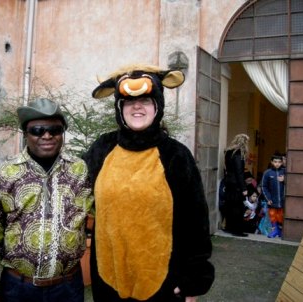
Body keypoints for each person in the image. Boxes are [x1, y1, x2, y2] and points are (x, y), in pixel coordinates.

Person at [83, 64, 214, 302]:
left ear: (157, 106)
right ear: (119, 109)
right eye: (129, 102)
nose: (137, 107)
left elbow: (195, 221)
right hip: (109, 280)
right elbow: (75, 195)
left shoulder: (175, 155)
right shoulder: (102, 149)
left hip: (161, 283)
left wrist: (192, 281)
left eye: (145, 100)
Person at [0, 98, 94, 302]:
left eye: (54, 130)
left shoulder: (80, 170)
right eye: (38, 130)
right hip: (18, 288)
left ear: (62, 132)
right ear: (26, 134)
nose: (47, 136)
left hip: (68, 287)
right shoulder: (5, 174)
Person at [223, 134, 250, 237]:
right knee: (238, 207)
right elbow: (239, 172)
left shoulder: (228, 152)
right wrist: (243, 188)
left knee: (229, 205)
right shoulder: (239, 154)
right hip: (236, 184)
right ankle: (237, 230)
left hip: (229, 181)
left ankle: (229, 227)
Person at [261, 154, 285, 238]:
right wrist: (268, 198)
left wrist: (285, 179)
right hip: (272, 200)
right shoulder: (267, 173)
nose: (277, 164)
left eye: (279, 162)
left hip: (282, 200)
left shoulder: (285, 172)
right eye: (275, 162)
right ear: (271, 162)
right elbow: (263, 186)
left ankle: (280, 230)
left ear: (282, 162)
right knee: (273, 215)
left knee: (281, 215)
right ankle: (274, 230)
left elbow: (292, 183)